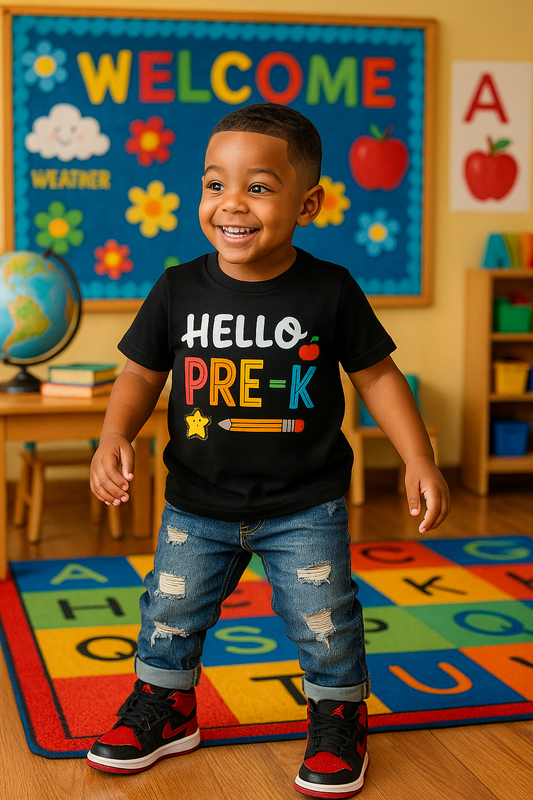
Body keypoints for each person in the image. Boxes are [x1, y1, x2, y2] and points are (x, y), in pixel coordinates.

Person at [86, 102, 450, 797]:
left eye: (257, 186)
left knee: (325, 622)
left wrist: (418, 457)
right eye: (214, 184)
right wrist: (112, 436)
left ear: (307, 202)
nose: (231, 203)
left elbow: (376, 374)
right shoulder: (178, 288)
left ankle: (338, 715)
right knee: (169, 612)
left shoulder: (329, 289)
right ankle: (168, 706)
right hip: (197, 502)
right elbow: (139, 372)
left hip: (303, 506)